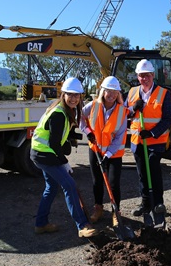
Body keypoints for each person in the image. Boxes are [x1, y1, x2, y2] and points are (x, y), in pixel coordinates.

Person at [30, 77, 99, 238]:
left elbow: (58, 134)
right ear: (64, 94)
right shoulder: (59, 113)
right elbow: (54, 143)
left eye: (77, 95)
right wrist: (65, 162)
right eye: (70, 95)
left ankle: (41, 224)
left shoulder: (62, 108)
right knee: (70, 186)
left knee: (51, 187)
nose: (74, 98)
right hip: (45, 154)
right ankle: (82, 225)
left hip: (43, 153)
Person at [125, 59, 171, 224]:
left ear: (153, 75)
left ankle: (158, 203)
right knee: (142, 174)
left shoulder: (164, 93)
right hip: (137, 141)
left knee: (153, 168)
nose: (144, 79)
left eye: (147, 75)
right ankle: (145, 204)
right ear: (137, 77)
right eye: (141, 76)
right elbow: (124, 114)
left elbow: (168, 119)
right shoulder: (132, 93)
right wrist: (133, 109)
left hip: (155, 141)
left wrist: (152, 133)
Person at [80, 76, 128, 227]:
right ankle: (98, 208)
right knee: (97, 182)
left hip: (113, 154)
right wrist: (87, 131)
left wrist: (107, 155)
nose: (111, 95)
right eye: (109, 91)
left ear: (118, 93)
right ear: (103, 91)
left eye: (115, 92)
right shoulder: (93, 105)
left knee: (113, 183)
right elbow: (79, 117)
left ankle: (116, 212)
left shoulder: (122, 111)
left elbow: (119, 138)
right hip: (95, 150)